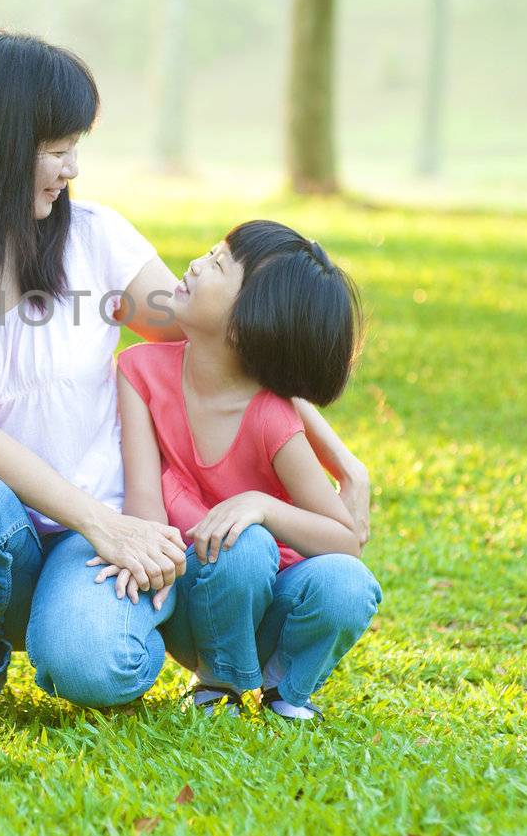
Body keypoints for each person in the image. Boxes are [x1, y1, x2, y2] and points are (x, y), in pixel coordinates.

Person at [0, 32, 370, 713]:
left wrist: (340, 463)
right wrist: (105, 523)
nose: (71, 168)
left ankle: (114, 626)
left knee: (97, 669)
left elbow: (236, 335)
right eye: (58, 148)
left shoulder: (97, 238)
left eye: (76, 147)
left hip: (97, 538)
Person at [114, 220, 381, 721]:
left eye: (216, 264)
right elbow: (143, 498)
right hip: (190, 592)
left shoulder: (272, 416)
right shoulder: (141, 371)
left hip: (271, 597)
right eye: (210, 251)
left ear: (244, 325)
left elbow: (346, 542)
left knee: (347, 583)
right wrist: (146, 559)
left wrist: (262, 506)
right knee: (244, 548)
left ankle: (286, 690)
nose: (194, 264)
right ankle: (220, 684)